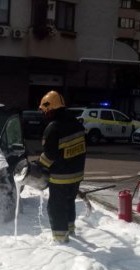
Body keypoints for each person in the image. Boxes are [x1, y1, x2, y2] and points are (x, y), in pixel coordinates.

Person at [38, 90, 87, 243]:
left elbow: (50, 155)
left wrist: (38, 164)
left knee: (56, 207)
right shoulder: (77, 123)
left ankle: (60, 240)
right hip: (77, 175)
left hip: (60, 177)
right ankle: (70, 230)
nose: (44, 114)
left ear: (50, 108)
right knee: (69, 202)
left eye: (45, 110)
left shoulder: (53, 127)